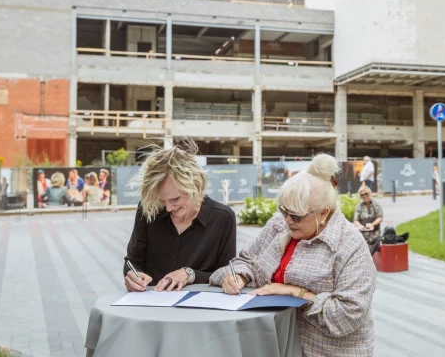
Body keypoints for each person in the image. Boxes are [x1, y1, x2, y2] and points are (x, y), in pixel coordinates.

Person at [211, 154, 376, 357]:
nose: (288, 220)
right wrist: (240, 276)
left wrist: (297, 293)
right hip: (272, 345)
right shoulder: (278, 225)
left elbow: (347, 316)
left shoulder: (349, 245)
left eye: (296, 215)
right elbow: (246, 261)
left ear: (323, 213)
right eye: (284, 211)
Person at [123, 141, 236, 293]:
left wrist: (190, 274)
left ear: (195, 185)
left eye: (175, 199)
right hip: (152, 306)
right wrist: (132, 275)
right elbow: (133, 261)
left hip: (200, 309)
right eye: (162, 200)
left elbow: (226, 275)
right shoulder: (148, 210)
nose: (168, 208)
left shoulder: (223, 217)